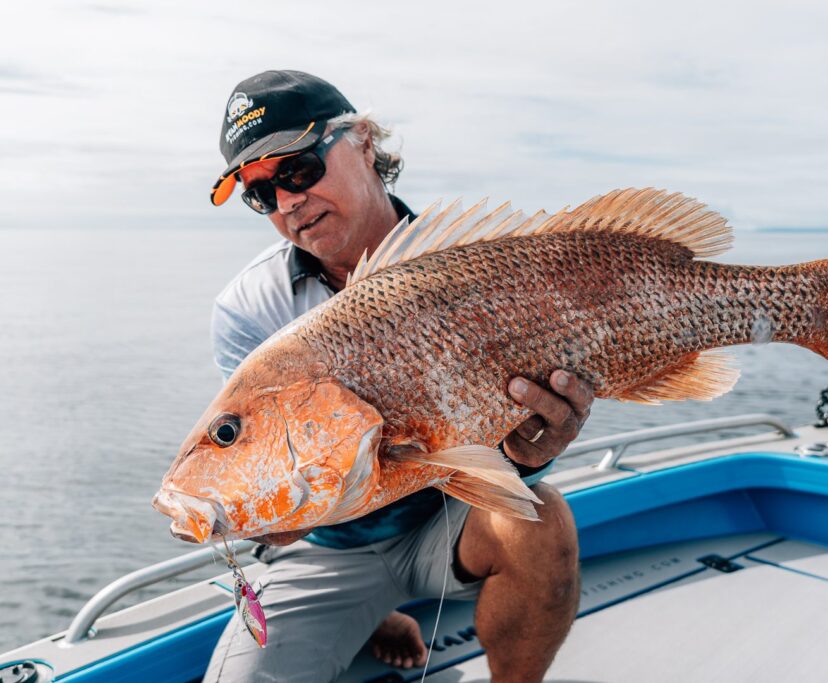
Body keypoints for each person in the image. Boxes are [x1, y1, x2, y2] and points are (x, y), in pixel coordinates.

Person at [202, 70, 593, 683]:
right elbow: (272, 481)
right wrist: (251, 506)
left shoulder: (476, 266)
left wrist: (535, 454)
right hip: (329, 550)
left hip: (451, 521)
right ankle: (374, 613)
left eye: (297, 169)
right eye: (259, 193)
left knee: (541, 518)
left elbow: (508, 459)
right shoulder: (248, 309)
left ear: (361, 142)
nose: (286, 202)